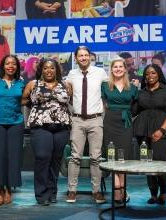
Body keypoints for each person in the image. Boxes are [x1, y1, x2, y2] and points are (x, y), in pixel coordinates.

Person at [22, 58, 71, 206]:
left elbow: (71, 102)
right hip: (40, 126)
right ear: (41, 70)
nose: (49, 71)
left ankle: (52, 192)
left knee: (56, 160)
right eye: (45, 68)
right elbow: (24, 100)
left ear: (56, 70)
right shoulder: (33, 84)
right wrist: (36, 106)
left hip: (61, 128)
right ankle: (41, 193)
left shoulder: (66, 85)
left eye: (52, 68)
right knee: (43, 158)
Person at [65, 46, 107, 204]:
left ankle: (96, 191)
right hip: (77, 120)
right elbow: (67, 94)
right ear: (75, 58)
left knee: (95, 157)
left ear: (90, 57)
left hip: (95, 120)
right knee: (75, 157)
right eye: (80, 56)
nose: (83, 58)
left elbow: (108, 91)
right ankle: (72, 190)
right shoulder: (71, 74)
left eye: (86, 55)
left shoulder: (100, 73)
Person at [133, 64, 166, 205]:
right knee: (147, 164)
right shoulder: (141, 92)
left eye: (153, 73)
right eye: (147, 74)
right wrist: (134, 92)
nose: (150, 76)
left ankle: (163, 192)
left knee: (160, 164)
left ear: (158, 74)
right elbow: (134, 111)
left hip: (162, 132)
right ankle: (153, 193)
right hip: (142, 132)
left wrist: (161, 130)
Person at [101, 56, 138, 203]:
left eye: (120, 67)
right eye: (115, 67)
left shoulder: (133, 87)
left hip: (126, 124)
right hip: (110, 122)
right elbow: (104, 105)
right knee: (113, 157)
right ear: (111, 69)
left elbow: (136, 107)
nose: (118, 69)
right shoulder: (105, 85)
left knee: (123, 157)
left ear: (125, 69)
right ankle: (118, 190)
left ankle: (123, 188)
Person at [0, 55, 25, 206]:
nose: (10, 66)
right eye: (7, 63)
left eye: (13, 64)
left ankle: (9, 189)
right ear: (3, 66)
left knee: (14, 157)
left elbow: (27, 99)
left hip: (16, 123)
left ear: (17, 67)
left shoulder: (22, 83)